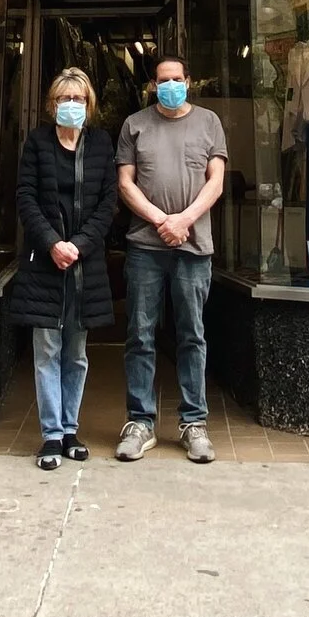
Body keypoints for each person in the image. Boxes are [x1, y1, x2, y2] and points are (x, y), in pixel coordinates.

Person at [116, 52, 228, 463]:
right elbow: (125, 184)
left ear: (189, 80)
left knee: (191, 335)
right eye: (162, 79)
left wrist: (185, 220)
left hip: (194, 249)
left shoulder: (209, 123)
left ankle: (193, 423)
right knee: (140, 335)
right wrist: (163, 220)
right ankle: (140, 422)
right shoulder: (135, 125)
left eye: (176, 78)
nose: (169, 84)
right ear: (152, 85)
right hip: (146, 247)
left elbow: (215, 182)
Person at [9, 67, 119, 471]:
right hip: (46, 262)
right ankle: (51, 436)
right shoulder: (37, 143)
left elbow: (108, 202)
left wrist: (79, 244)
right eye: (63, 99)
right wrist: (53, 243)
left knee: (76, 352)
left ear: (89, 105)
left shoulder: (101, 144)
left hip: (84, 265)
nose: (70, 106)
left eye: (78, 100)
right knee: (47, 350)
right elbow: (25, 198)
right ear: (51, 104)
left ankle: (71, 430)